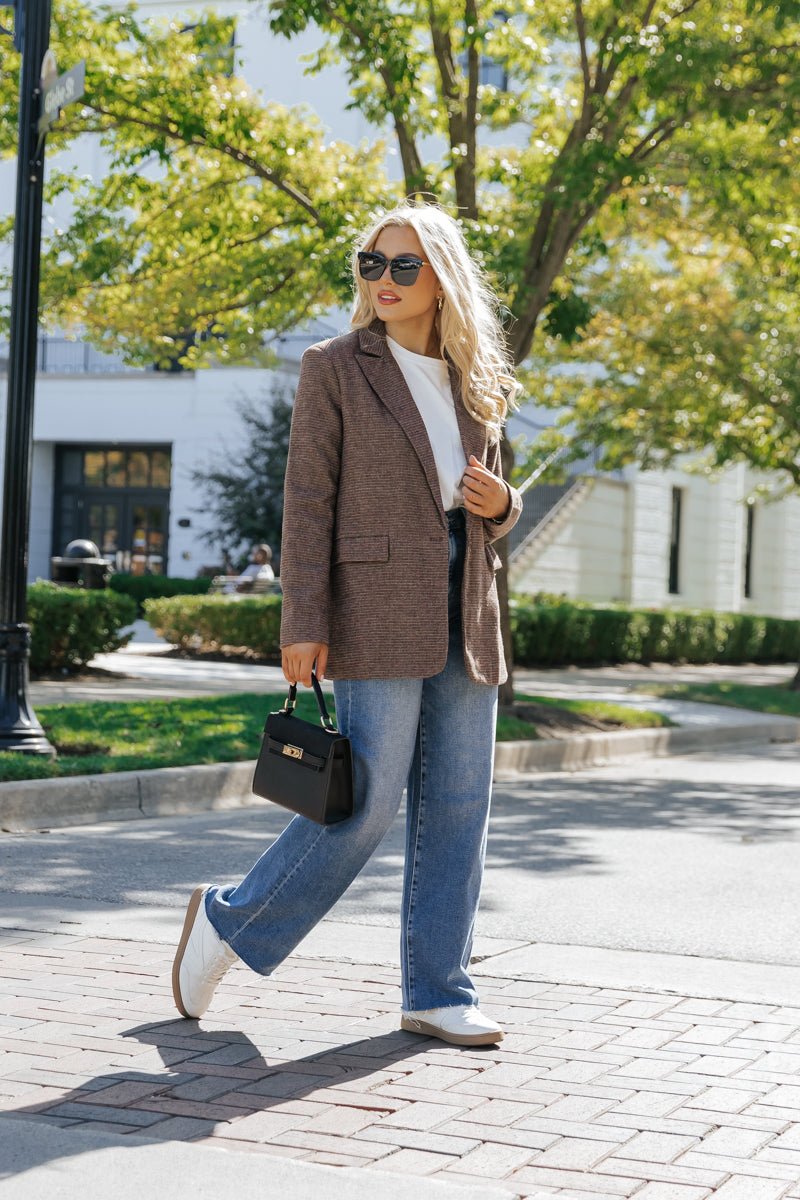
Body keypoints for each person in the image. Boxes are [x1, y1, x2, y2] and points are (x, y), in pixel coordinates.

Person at [171, 200, 522, 1046]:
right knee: (360, 803)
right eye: (373, 264)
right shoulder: (334, 365)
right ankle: (230, 920)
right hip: (371, 603)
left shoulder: (478, 379)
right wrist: (303, 619)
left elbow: (491, 502)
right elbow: (308, 499)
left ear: (442, 277)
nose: (387, 280)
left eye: (405, 266)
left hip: (465, 599)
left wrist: (503, 505)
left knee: (461, 803)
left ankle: (437, 989)